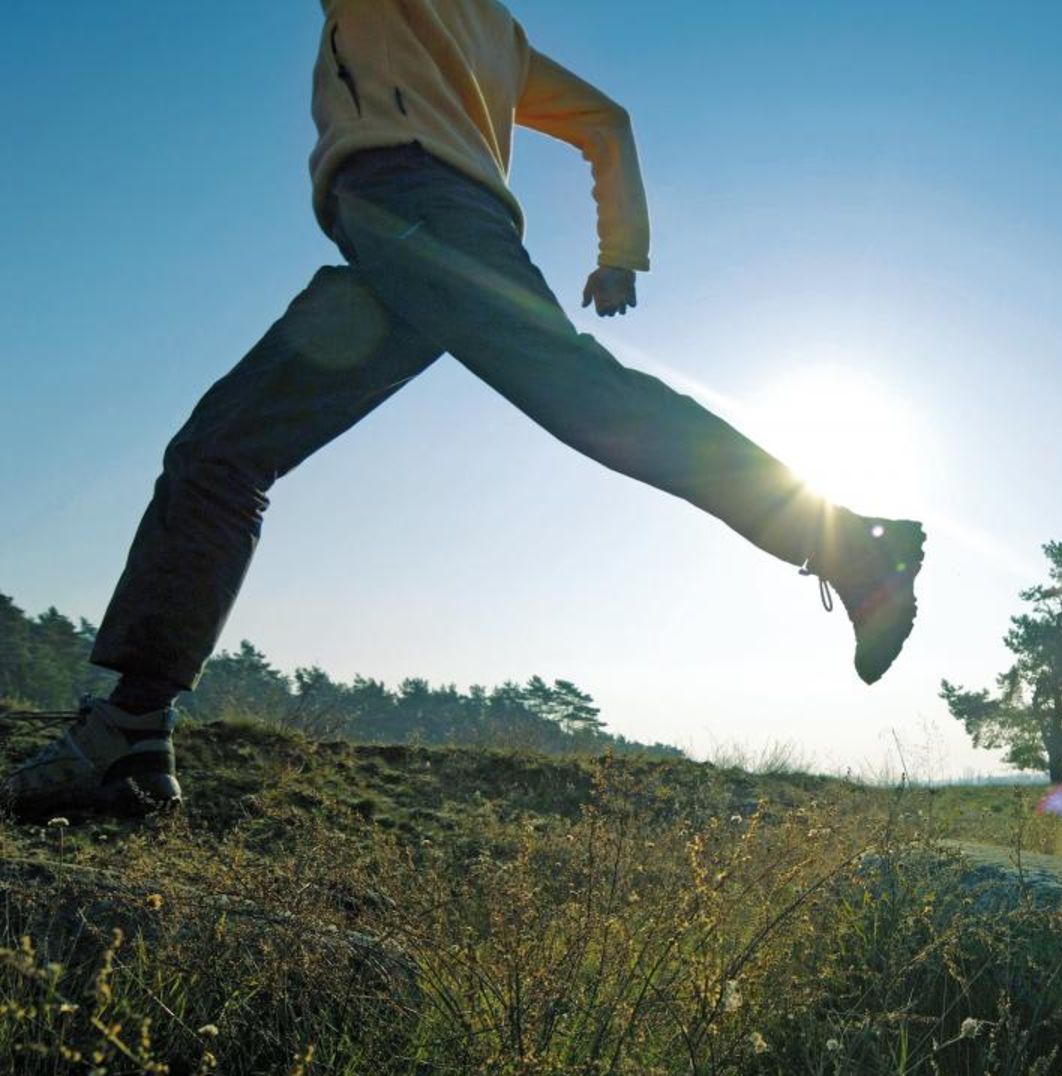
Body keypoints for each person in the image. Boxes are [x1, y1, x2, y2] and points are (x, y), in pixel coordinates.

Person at [1, 0, 925, 822]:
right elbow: (608, 121)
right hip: (403, 236)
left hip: (420, 212)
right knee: (220, 449)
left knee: (585, 397)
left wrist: (620, 251)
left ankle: (844, 543)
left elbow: (608, 122)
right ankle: (129, 734)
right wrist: (622, 252)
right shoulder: (502, 34)